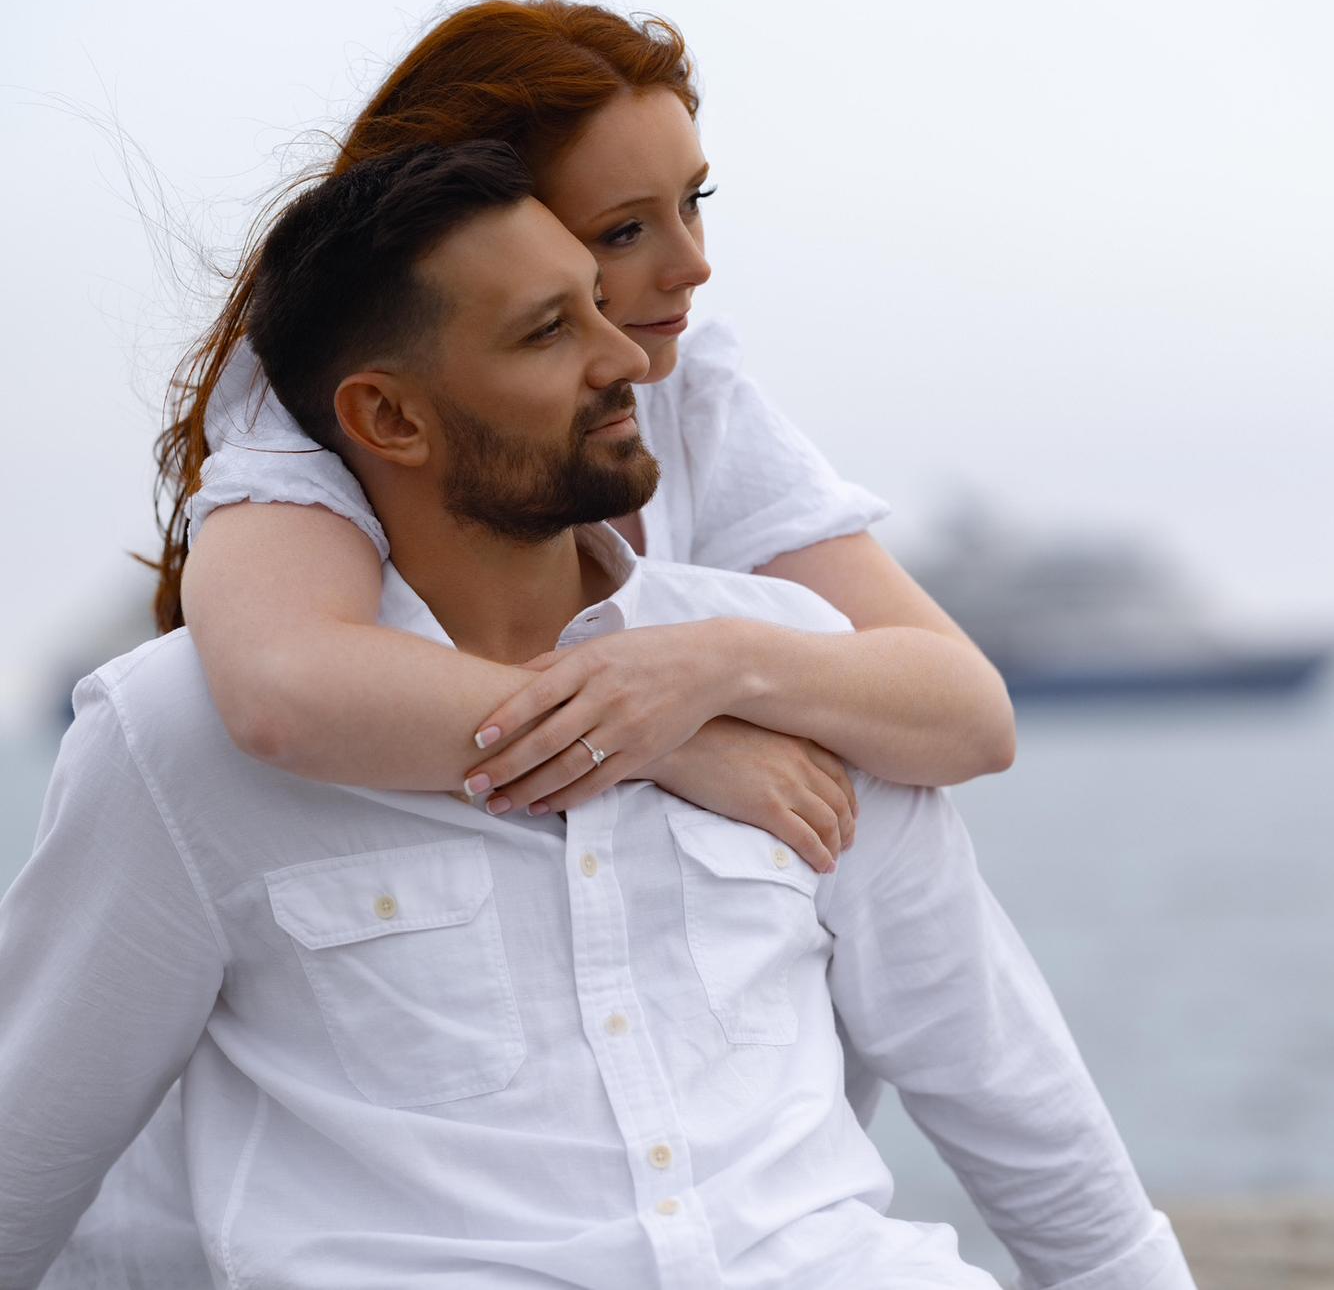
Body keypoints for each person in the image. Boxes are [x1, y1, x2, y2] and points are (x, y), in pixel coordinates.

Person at [0, 142, 1195, 1289]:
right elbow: (27, 1154)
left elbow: (1002, 1081)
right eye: (547, 331)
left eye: (598, 305)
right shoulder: (181, 737)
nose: (625, 356)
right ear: (390, 419)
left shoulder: (792, 669)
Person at [167, 0, 1016, 879]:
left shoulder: (685, 396)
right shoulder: (315, 427)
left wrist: (717, 668)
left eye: (694, 200)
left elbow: (972, 719)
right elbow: (284, 689)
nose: (694, 264)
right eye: (624, 230)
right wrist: (668, 742)